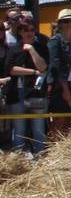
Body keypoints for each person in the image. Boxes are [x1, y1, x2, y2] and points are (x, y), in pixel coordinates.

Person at [2, 22, 47, 155]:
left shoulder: (41, 47)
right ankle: (19, 159)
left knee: (38, 128)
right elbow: (11, 70)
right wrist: (33, 72)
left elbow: (43, 67)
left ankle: (40, 156)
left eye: (32, 30)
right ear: (20, 32)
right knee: (19, 129)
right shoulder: (14, 49)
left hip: (36, 94)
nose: (29, 33)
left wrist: (32, 50)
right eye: (25, 30)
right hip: (16, 94)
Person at [46, 9, 71, 138]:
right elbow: (56, 67)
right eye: (65, 21)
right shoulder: (54, 41)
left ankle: (70, 149)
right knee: (59, 121)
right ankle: (56, 148)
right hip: (60, 86)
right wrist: (65, 90)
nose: (69, 23)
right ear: (59, 23)